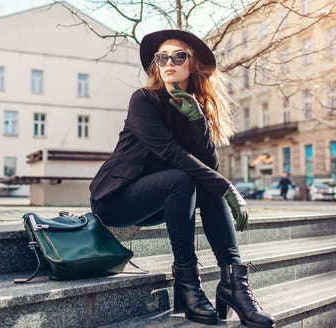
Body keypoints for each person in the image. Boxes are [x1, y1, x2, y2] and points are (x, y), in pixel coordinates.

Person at [89, 29, 275, 327]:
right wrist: (228, 187)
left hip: (164, 198)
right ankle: (188, 284)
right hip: (117, 199)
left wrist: (197, 119)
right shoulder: (144, 100)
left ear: (193, 64)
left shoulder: (195, 105)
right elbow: (172, 154)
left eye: (178, 56)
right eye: (162, 57)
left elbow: (208, 169)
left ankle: (233, 284)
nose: (168, 62)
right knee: (183, 178)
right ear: (156, 64)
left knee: (202, 183)